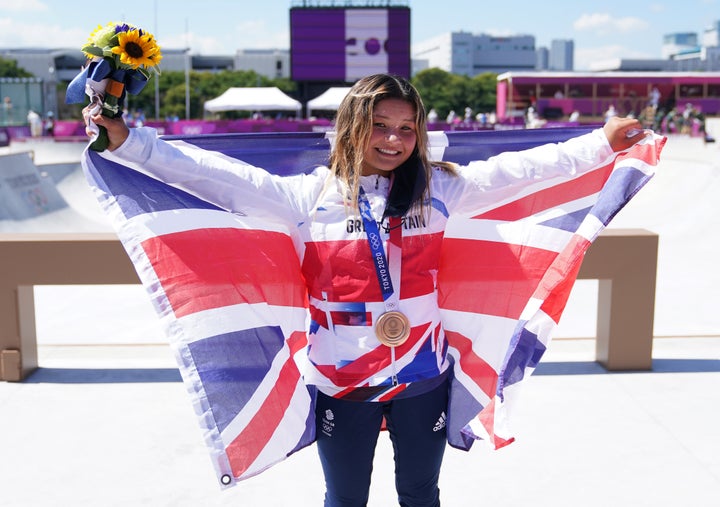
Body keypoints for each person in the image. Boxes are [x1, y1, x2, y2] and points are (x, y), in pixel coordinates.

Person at [85, 73, 646, 507]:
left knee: (420, 497)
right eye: (380, 125)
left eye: (407, 129)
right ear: (353, 126)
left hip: (422, 376)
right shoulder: (307, 196)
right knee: (346, 499)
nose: (394, 140)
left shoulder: (442, 189)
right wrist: (133, 143)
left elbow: (524, 169)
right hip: (340, 378)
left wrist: (602, 142)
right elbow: (218, 175)